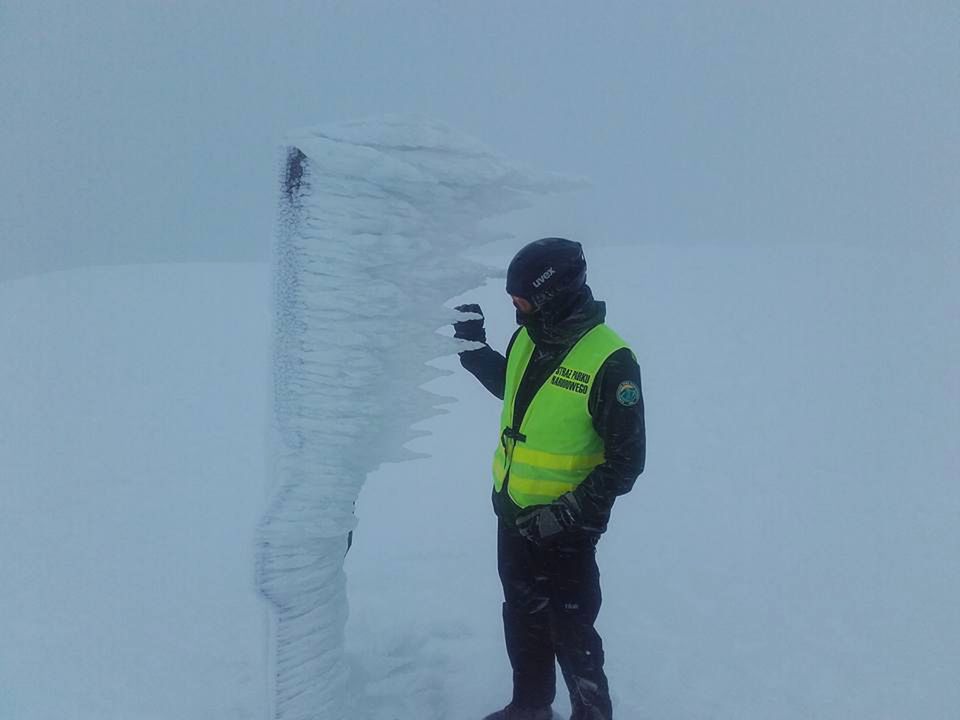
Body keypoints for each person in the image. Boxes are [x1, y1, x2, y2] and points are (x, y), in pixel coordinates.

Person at [453, 238, 646, 720]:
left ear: (551, 295)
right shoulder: (529, 336)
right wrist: (475, 351)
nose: (512, 305)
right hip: (514, 511)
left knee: (572, 632)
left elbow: (627, 461)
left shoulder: (610, 360)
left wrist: (565, 514)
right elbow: (517, 392)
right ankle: (531, 706)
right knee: (522, 618)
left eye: (520, 297)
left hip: (568, 529)